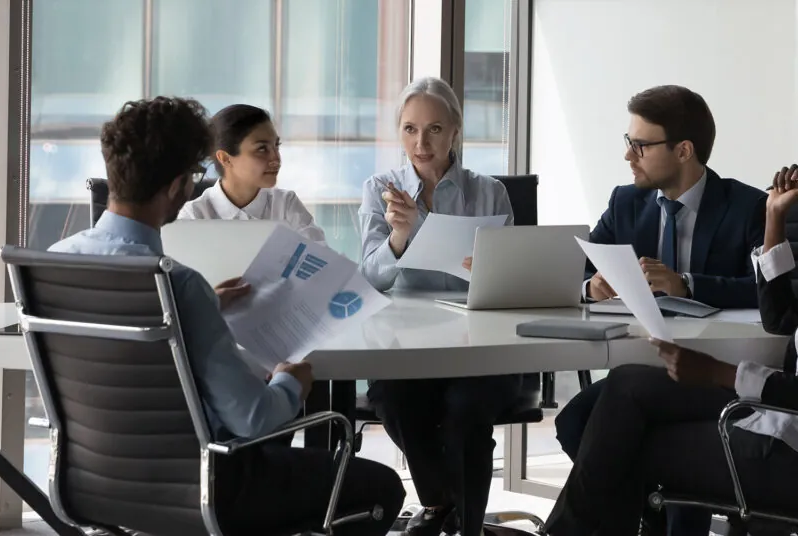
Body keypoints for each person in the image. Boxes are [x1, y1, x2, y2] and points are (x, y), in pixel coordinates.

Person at [543, 129, 798, 536]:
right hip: (788, 424)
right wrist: (774, 216)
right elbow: (782, 318)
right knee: (622, 388)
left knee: (621, 441)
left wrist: (719, 374)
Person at [50, 96, 403, 536]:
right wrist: (292, 380)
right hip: (206, 486)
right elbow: (253, 418)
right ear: (181, 185)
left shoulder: (54, 263)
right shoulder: (179, 284)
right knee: (382, 487)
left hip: (89, 484)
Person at [556, 85, 767, 534]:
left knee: (658, 433)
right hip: (642, 366)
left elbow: (764, 292)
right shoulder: (625, 202)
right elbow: (579, 268)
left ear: (684, 150)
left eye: (640, 145)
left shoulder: (748, 207)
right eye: (627, 142)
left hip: (716, 371)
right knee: (574, 420)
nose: (628, 156)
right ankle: (649, 515)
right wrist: (591, 287)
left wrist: (686, 285)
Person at [358, 76, 519, 536]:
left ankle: (460, 525)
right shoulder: (380, 188)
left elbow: (510, 279)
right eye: (409, 129)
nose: (421, 142)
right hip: (408, 341)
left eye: (433, 129)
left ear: (455, 131)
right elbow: (371, 275)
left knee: (467, 408)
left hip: (479, 342)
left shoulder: (489, 192)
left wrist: (482, 268)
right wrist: (399, 237)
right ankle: (443, 504)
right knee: (392, 396)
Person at [178, 103, 326, 243]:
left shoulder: (285, 205)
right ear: (225, 159)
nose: (276, 158)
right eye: (262, 149)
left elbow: (324, 263)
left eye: (276, 146)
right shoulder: (193, 216)